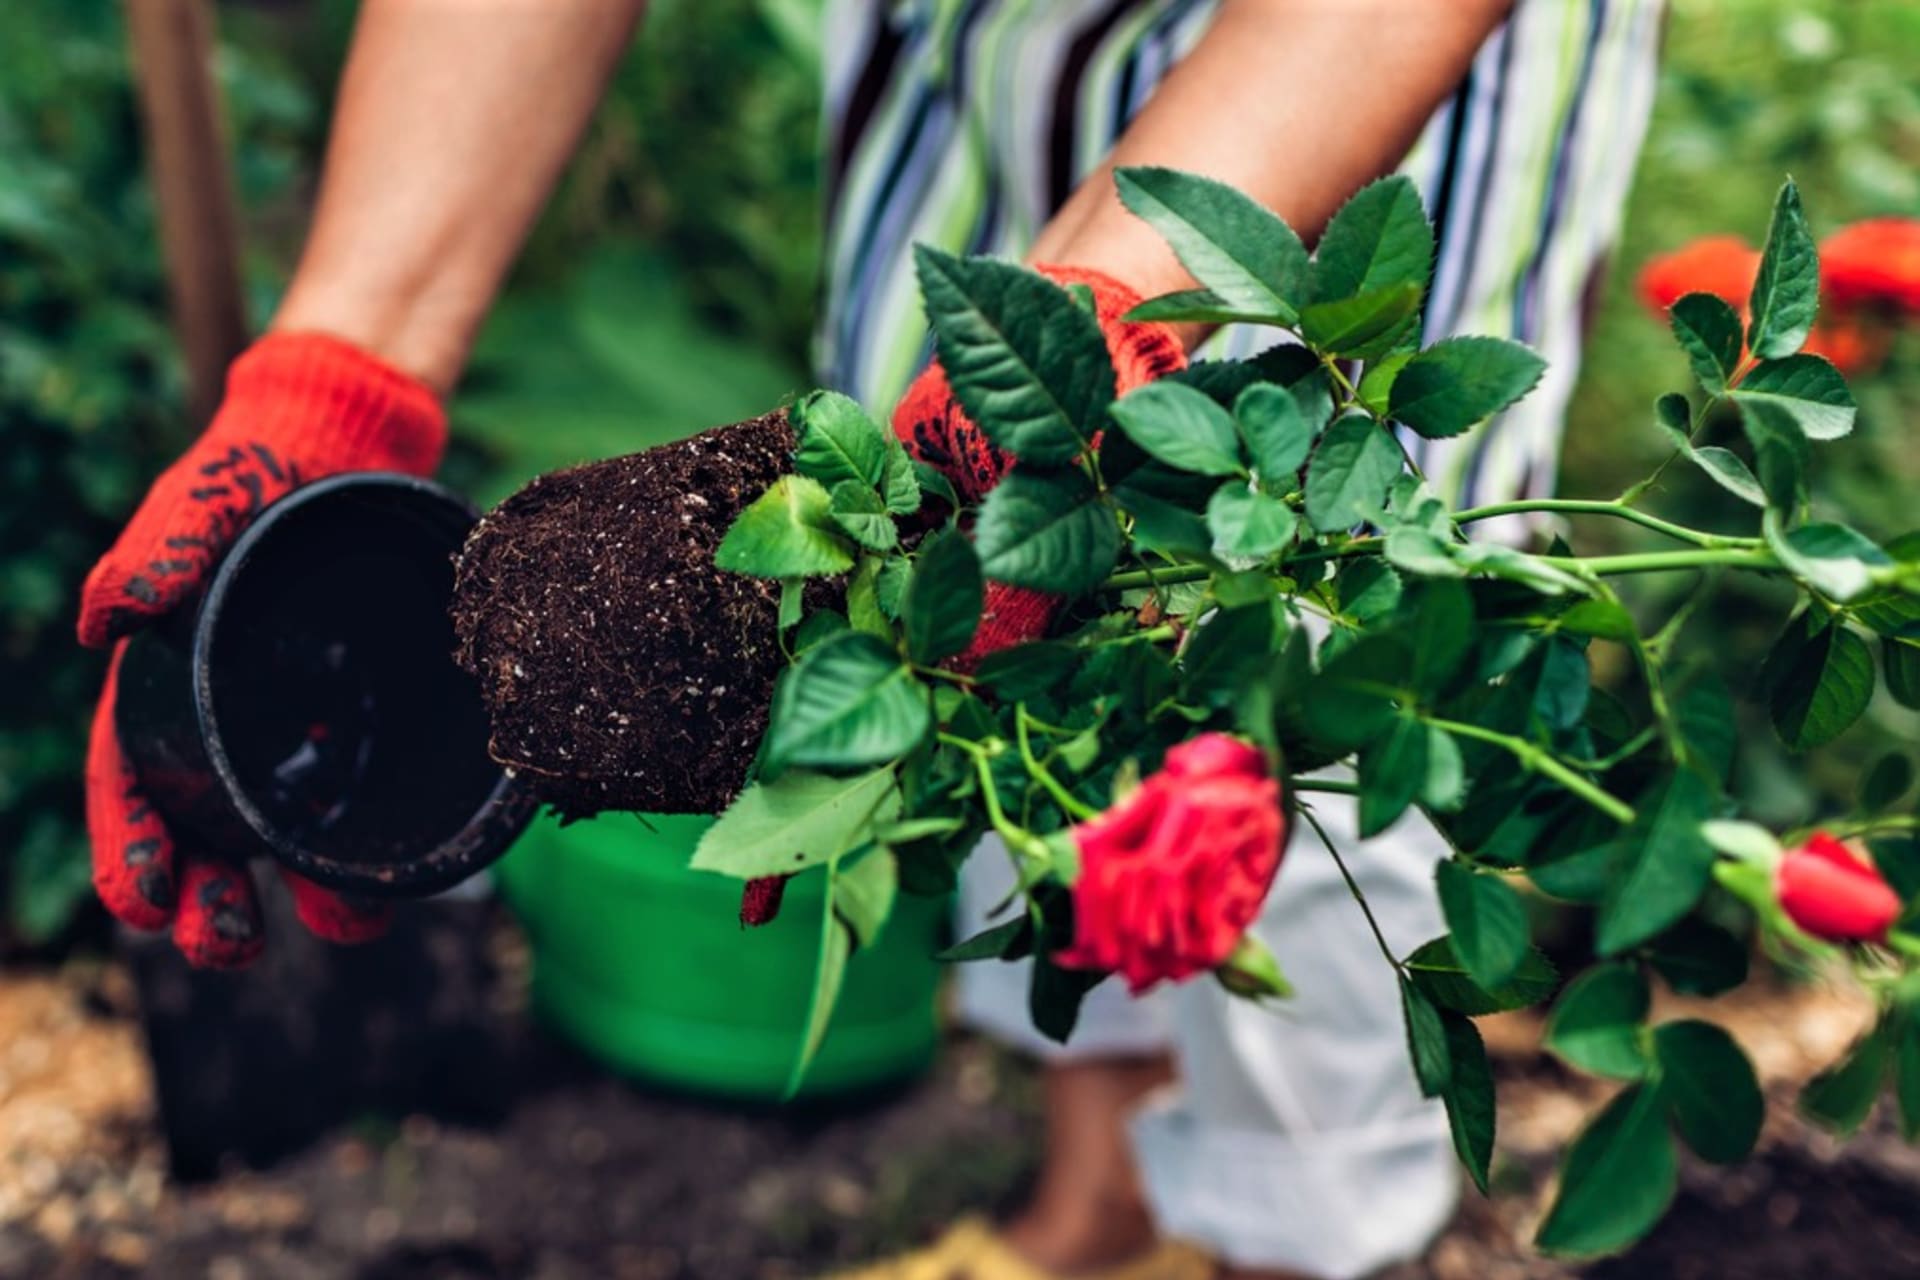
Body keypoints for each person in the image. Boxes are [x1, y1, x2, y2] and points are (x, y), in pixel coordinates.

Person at [78, 1, 1664, 1276]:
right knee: (980, 616)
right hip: (981, 53)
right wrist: (344, 360)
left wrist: (1109, 299)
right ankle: (1098, 1202)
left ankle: (1297, 1238)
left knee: (1309, 666)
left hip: (1349, 76)